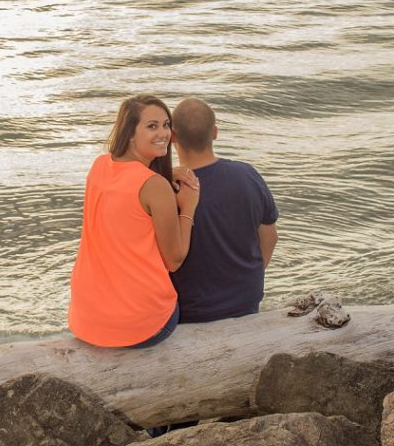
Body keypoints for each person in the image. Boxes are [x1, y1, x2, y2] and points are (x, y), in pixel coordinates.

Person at [68, 95, 200, 348]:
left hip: (87, 318)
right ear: (129, 133)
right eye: (152, 126)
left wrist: (163, 176)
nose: (163, 133)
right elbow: (174, 260)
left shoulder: (100, 166)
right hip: (140, 325)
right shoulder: (154, 186)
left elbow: (128, 189)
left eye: (166, 125)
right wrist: (189, 206)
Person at [169, 97, 279, 322]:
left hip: (190, 311)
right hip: (245, 303)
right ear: (215, 132)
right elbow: (270, 237)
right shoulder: (247, 175)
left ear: (172, 137)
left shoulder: (167, 189)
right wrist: (250, 280)